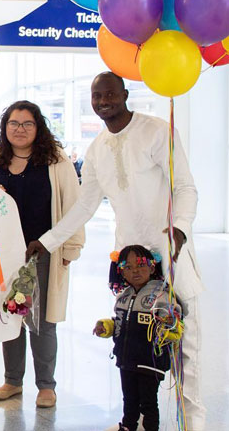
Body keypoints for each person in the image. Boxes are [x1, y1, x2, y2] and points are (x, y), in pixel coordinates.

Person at [26, 72, 204, 429]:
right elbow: (83, 206)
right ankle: (135, 418)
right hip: (129, 262)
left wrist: (180, 229)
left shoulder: (156, 131)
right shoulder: (97, 150)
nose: (103, 101)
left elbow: (185, 187)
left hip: (169, 251)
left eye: (109, 94)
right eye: (96, 96)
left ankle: (193, 421)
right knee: (132, 342)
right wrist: (47, 241)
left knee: (186, 338)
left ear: (124, 94)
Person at [0, 100, 84, 409]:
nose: (19, 130)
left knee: (43, 321)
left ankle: (46, 385)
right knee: (11, 317)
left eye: (27, 124)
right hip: (3, 255)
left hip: (43, 252)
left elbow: (74, 205)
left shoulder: (56, 160)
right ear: (4, 128)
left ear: (38, 127)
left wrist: (70, 247)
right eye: (13, 124)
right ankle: (13, 381)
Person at [93, 245, 181, 431]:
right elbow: (119, 323)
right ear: (121, 272)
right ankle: (127, 427)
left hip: (150, 360)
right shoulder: (123, 296)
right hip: (126, 360)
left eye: (141, 265)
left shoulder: (161, 294)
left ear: (152, 267)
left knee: (148, 403)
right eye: (128, 267)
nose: (135, 271)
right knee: (129, 400)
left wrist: (169, 326)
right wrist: (105, 326)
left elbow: (174, 321)